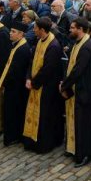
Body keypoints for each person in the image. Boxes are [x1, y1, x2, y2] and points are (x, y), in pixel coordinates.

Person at [60, 19, 91, 166]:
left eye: (72, 28)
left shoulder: (86, 47)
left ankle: (84, 153)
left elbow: (78, 70)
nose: (70, 30)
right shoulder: (78, 43)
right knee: (76, 121)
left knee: (84, 125)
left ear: (81, 29)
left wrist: (64, 86)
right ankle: (73, 148)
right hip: (78, 90)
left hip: (85, 92)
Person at [23, 17, 65, 153]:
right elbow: (32, 60)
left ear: (42, 29)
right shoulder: (39, 40)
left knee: (46, 116)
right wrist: (28, 77)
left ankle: (44, 144)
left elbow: (48, 70)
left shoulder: (53, 46)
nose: (33, 30)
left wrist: (34, 82)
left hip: (47, 87)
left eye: (35, 28)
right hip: (36, 84)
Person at [0, 19, 32, 146]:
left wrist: (5, 82)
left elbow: (15, 71)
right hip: (13, 86)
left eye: (13, 32)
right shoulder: (17, 45)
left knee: (13, 112)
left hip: (16, 88)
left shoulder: (22, 49)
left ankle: (13, 136)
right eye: (11, 31)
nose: (10, 33)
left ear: (21, 34)